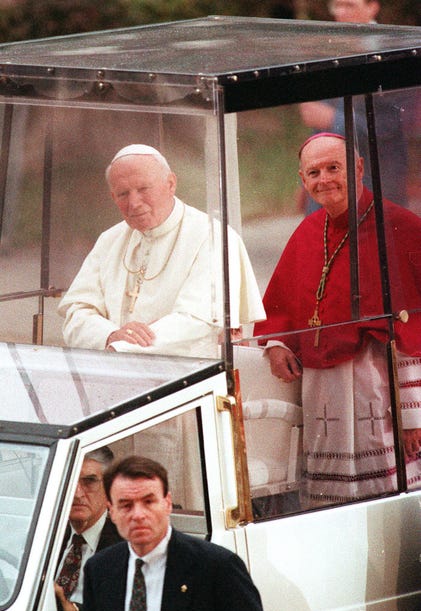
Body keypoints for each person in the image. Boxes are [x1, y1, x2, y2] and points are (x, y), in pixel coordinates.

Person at [254, 133, 421, 508]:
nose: (324, 179)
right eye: (314, 172)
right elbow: (282, 305)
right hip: (322, 393)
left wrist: (414, 414)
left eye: (334, 168)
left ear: (359, 168)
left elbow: (413, 331)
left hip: (379, 387)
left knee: (387, 503)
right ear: (302, 180)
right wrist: (278, 344)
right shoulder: (307, 233)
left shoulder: (399, 227)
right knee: (329, 502)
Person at [58, 144, 265, 358]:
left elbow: (197, 321)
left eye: (143, 189)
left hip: (187, 374)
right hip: (113, 369)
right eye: (123, 194)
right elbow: (76, 314)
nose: (134, 203)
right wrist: (110, 335)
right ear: (113, 197)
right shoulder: (109, 240)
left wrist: (123, 347)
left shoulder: (213, 237)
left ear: (171, 184)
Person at [83, 455, 268, 611]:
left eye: (148, 502)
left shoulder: (217, 567)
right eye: (126, 505)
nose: (138, 515)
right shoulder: (100, 569)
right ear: (112, 510)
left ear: (168, 503)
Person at [299, 0, 409, 213]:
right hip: (328, 182)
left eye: (349, 5)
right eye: (336, 6)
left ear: (373, 7)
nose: (341, 13)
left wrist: (334, 119)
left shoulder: (393, 52)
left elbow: (393, 125)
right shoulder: (330, 49)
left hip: (376, 181)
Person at [55, 447, 122, 611]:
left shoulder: (128, 544)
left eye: (89, 482)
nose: (77, 494)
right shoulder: (46, 534)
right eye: (70, 481)